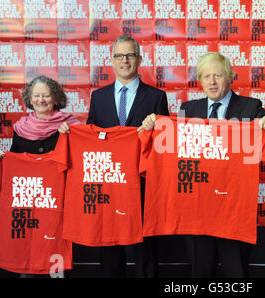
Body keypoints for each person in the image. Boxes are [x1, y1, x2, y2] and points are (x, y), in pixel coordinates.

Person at [140, 52, 265, 278]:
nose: (212, 81)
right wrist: (152, 126)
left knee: (236, 273)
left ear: (230, 78)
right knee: (200, 273)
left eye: (217, 75)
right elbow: (171, 148)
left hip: (234, 211)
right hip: (197, 211)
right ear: (199, 80)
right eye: (206, 76)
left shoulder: (250, 107)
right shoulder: (188, 109)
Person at [61, 35, 169, 278]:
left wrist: (157, 126)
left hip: (143, 186)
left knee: (145, 251)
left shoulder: (156, 97)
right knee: (109, 250)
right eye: (119, 55)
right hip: (108, 186)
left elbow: (164, 147)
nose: (125, 60)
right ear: (112, 60)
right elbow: (90, 137)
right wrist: (71, 134)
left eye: (130, 55)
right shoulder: (98, 97)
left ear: (139, 59)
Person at [0, 75, 81, 278]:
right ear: (29, 99)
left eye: (46, 95)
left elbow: (78, 162)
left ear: (56, 98)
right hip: (28, 201)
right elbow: (14, 156)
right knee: (27, 250)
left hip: (56, 201)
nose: (41, 100)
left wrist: (69, 136)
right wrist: (2, 158)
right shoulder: (21, 128)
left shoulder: (70, 126)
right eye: (36, 96)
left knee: (55, 250)